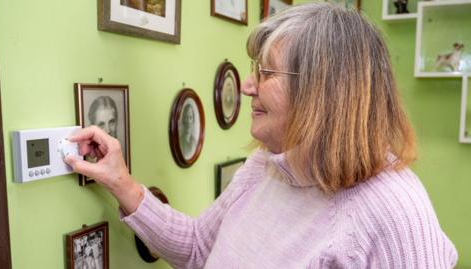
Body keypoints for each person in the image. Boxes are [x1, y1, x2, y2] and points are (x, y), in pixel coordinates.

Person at [65, 3, 458, 268]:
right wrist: (122, 182)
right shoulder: (268, 164)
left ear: (324, 92)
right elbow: (199, 248)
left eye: (267, 73)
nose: (248, 85)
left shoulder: (393, 209)